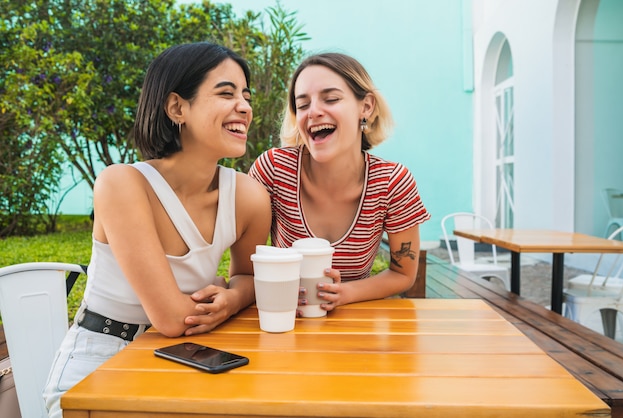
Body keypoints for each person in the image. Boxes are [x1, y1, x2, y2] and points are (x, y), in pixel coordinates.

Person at [43, 42, 271, 417]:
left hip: (192, 359)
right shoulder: (122, 184)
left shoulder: (248, 198)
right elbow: (172, 318)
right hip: (97, 363)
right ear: (177, 107)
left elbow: (247, 276)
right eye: (226, 93)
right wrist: (226, 292)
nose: (244, 107)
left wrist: (231, 298)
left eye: (245, 96)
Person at [248, 52, 430, 314]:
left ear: (366, 107)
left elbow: (403, 274)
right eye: (302, 105)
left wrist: (346, 294)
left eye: (331, 99)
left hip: (354, 329)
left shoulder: (392, 182)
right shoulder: (274, 170)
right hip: (285, 325)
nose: (314, 112)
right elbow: (247, 266)